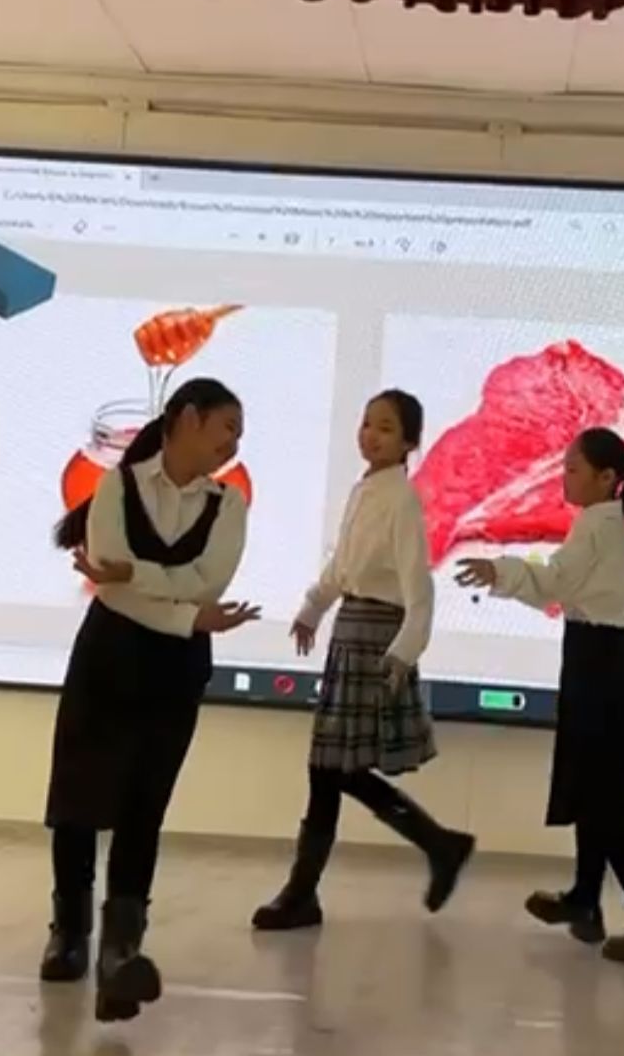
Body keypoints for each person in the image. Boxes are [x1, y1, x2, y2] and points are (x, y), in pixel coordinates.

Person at [41, 377, 261, 1021]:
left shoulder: (229, 504)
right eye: (227, 428)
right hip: (109, 656)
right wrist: (186, 615)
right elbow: (113, 588)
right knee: (78, 796)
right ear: (188, 418)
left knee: (144, 803)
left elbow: (206, 581)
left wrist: (141, 578)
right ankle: (69, 931)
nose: (234, 445)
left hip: (174, 670)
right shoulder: (116, 485)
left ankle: (121, 949)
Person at [455, 427, 624, 964]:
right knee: (594, 797)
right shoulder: (603, 521)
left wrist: (499, 570)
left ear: (607, 478)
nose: (564, 477)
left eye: (574, 469)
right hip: (600, 666)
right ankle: (585, 900)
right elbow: (560, 586)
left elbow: (555, 583)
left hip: (603, 673)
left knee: (607, 807)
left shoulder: (597, 526)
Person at [252, 390, 475, 931]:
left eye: (386, 428)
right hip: (350, 630)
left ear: (409, 442)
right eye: (367, 423)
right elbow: (342, 566)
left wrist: (403, 652)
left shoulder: (401, 499)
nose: (370, 435)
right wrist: (313, 608)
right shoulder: (365, 490)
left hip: (376, 637)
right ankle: (436, 845)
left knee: (331, 768)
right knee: (333, 769)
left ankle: (305, 892)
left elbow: (419, 588)